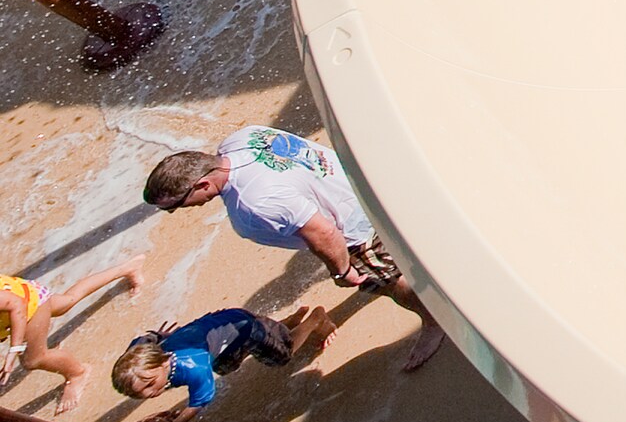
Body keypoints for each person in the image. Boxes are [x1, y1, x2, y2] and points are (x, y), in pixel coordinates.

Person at [144, 129, 445, 372]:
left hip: (353, 227)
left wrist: (343, 270)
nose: (178, 212)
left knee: (387, 282)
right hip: (360, 182)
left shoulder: (252, 203)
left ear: (202, 184)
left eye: (175, 206)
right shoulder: (240, 139)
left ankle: (435, 321)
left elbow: (323, 232)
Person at [111, 305, 333, 411]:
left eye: (149, 385)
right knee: (227, 367)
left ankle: (315, 319)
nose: (149, 395)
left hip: (242, 326)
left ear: (164, 361)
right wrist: (159, 335)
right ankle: (286, 324)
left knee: (281, 357)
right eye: (137, 394)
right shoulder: (135, 358)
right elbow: (144, 339)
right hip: (218, 334)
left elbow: (194, 407)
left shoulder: (194, 365)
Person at [3, 261, 143, 415]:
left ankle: (77, 373)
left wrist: (14, 349)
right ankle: (128, 268)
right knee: (68, 300)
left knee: (33, 360)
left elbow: (16, 304)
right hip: (24, 291)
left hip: (28, 303)